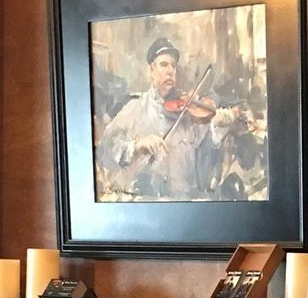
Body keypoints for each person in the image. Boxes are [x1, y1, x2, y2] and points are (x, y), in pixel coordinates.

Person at [94, 37, 249, 201]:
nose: (170, 71)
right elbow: (104, 151)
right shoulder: (134, 108)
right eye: (164, 64)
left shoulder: (190, 112)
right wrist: (136, 146)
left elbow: (206, 155)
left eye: (173, 66)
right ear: (151, 69)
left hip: (184, 200)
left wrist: (221, 126)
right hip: (146, 201)